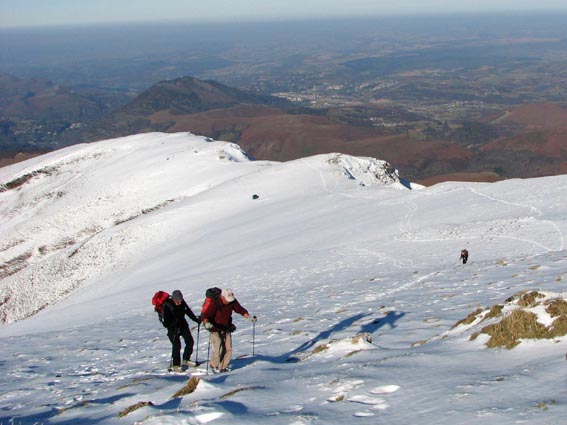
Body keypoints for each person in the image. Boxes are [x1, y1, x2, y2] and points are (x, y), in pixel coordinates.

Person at [201, 288, 255, 373]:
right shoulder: (214, 303)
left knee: (228, 348)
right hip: (214, 328)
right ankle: (214, 365)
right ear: (222, 297)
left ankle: (224, 366)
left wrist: (248, 317)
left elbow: (239, 309)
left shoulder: (232, 301)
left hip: (226, 327)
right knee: (219, 347)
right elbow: (206, 315)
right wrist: (207, 323)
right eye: (227, 299)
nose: (229, 301)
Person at [162, 290, 200, 371]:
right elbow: (166, 322)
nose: (179, 303)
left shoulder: (182, 303)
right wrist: (173, 325)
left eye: (180, 301)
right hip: (173, 328)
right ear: (173, 299)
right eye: (177, 301)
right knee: (177, 345)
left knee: (190, 341)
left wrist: (196, 319)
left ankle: (186, 359)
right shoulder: (168, 305)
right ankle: (176, 364)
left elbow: (188, 312)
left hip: (183, 325)